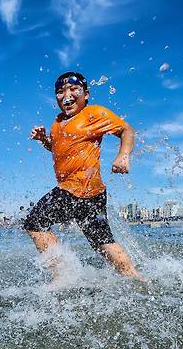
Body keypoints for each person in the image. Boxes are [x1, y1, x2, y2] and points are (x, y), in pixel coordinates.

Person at [24, 71, 144, 281]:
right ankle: (136, 278)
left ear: (86, 94)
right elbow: (62, 149)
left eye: (73, 89)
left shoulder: (93, 113)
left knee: (35, 222)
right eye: (60, 91)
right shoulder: (58, 122)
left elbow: (127, 130)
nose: (66, 95)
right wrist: (45, 140)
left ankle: (61, 276)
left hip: (77, 187)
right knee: (102, 242)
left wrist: (123, 156)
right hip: (91, 193)